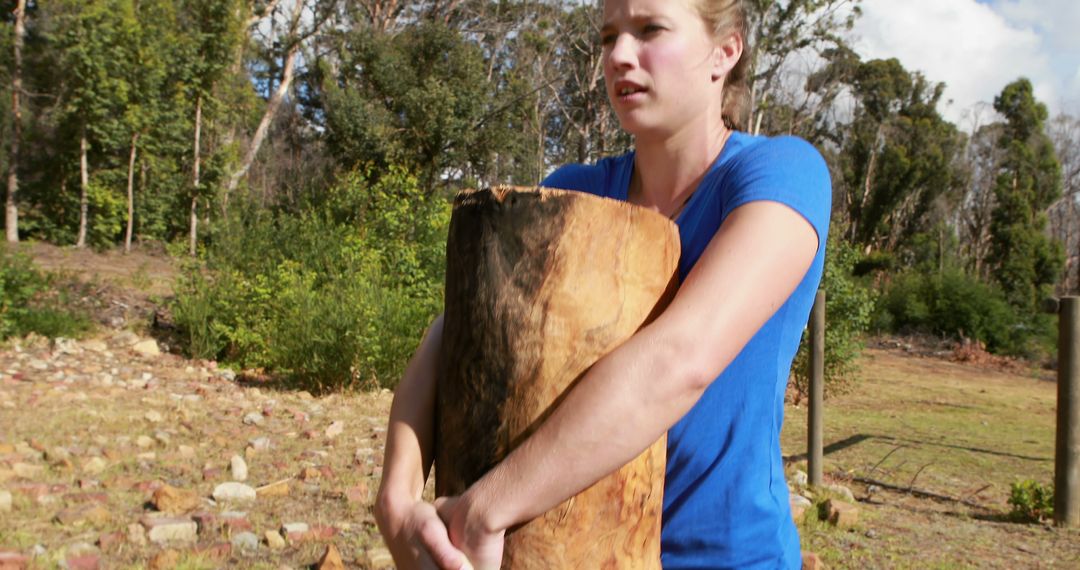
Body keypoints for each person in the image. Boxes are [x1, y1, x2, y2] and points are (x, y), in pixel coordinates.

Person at [375, 0, 832, 567]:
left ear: (725, 50)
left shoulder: (780, 175)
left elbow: (682, 358)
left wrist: (487, 508)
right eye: (609, 35)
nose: (618, 56)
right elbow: (458, 332)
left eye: (650, 30)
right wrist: (396, 496)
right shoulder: (571, 193)